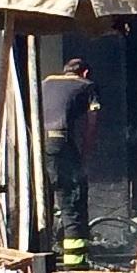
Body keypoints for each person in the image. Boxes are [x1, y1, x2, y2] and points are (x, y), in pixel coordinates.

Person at [38, 53, 98, 262]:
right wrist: (84, 157)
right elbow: (92, 124)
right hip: (60, 142)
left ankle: (43, 257)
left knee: (42, 200)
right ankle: (75, 265)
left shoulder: (45, 83)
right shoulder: (86, 85)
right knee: (72, 199)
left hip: (38, 145)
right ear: (85, 72)